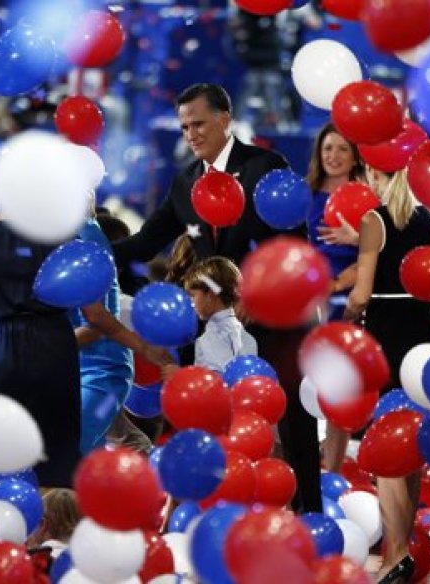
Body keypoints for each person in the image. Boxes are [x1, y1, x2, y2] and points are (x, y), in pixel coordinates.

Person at [112, 83, 321, 512]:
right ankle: (215, 518)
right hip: (212, 330)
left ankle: (309, 518)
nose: (190, 133)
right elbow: (144, 243)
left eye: (199, 123)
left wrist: (256, 295)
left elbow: (294, 249)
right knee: (211, 426)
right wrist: (81, 244)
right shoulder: (185, 182)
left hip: (276, 323)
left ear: (225, 120)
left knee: (292, 423)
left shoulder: (265, 166)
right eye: (184, 126)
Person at [344, 169, 430, 584]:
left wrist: (346, 316)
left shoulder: (373, 220)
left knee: (386, 441)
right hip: (423, 327)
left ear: (374, 172)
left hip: (386, 331)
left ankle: (396, 552)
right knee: (412, 441)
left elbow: (362, 293)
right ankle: (404, 545)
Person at [0, 221, 82, 488]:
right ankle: (54, 519)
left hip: (1, 345)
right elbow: (90, 301)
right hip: (54, 342)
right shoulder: (62, 231)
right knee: (55, 440)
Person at [72, 215, 173, 454]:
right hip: (86, 370)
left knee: (73, 455)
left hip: (96, 372)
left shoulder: (87, 240)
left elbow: (97, 320)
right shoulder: (79, 237)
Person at [306, 122, 366, 321]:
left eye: (343, 149)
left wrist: (356, 239)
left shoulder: (369, 199)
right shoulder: (305, 195)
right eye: (328, 148)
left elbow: (378, 253)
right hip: (309, 295)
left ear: (356, 158)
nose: (333, 156)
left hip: (353, 295)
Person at [182, 256, 257, 373]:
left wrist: (180, 375)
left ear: (210, 295)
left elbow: (220, 380)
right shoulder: (242, 332)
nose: (190, 302)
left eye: (193, 295)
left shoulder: (212, 337)